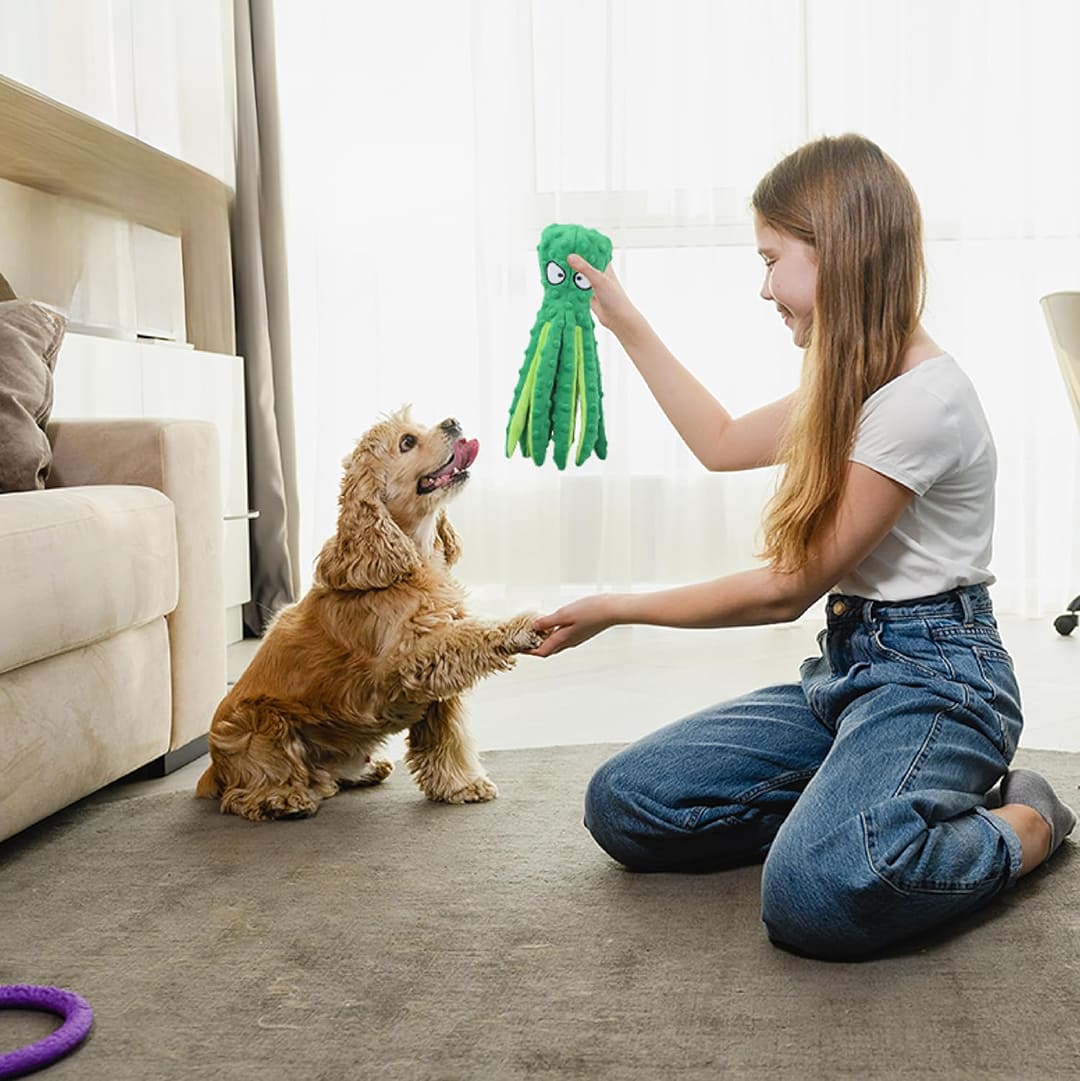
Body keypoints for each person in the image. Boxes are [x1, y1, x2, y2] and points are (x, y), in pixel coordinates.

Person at [528, 133, 1076, 960]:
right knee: (626, 802)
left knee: (812, 894)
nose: (763, 287)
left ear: (839, 254)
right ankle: (862, 809)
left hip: (941, 683)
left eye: (772, 257)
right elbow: (716, 440)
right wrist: (624, 319)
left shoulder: (920, 402)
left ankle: (1024, 821)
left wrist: (616, 606)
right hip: (850, 673)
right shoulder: (850, 383)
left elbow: (786, 588)